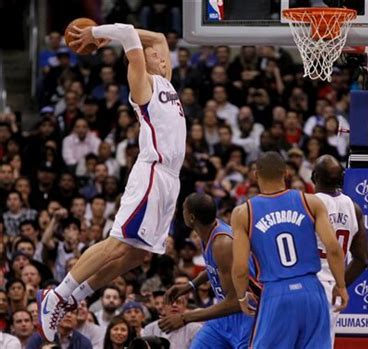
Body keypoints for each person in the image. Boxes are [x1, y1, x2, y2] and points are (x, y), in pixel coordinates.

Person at [37, 22, 186, 342]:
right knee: (118, 242)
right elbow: (131, 36)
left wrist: (109, 37)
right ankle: (57, 295)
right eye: (153, 55)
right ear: (143, 61)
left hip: (170, 180)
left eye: (160, 55)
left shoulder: (166, 80)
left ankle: (77, 297)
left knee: (138, 254)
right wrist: (99, 34)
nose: (161, 54)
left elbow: (158, 36)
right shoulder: (142, 83)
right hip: (152, 172)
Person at [231, 151, 348, 349]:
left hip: (276, 293)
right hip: (312, 290)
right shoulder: (310, 202)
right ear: (286, 173)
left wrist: (242, 296)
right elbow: (334, 248)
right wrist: (341, 285)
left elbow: (241, 267)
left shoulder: (244, 213)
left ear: (255, 174)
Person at [160, 193, 254, 348]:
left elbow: (237, 301)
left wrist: (185, 317)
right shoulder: (208, 231)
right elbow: (215, 268)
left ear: (191, 218)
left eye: (183, 208)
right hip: (223, 317)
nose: (180, 211)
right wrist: (190, 285)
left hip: (245, 316)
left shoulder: (222, 243)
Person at [312, 155, 368, 347]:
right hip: (332, 288)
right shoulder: (354, 208)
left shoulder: (308, 204)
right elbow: (362, 259)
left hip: (307, 283)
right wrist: (340, 284)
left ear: (313, 176)